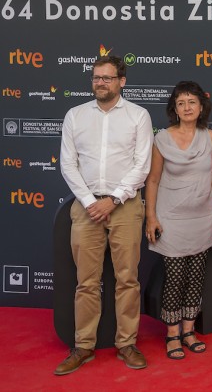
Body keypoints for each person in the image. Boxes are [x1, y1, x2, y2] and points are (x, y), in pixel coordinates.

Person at [56, 55, 153, 375]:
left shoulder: (138, 115)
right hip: (85, 209)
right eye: (96, 77)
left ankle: (127, 343)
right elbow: (68, 164)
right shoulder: (75, 115)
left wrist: (113, 199)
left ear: (121, 81)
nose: (100, 82)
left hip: (124, 207)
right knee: (86, 282)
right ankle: (83, 345)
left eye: (107, 78)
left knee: (127, 278)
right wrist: (88, 200)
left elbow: (142, 165)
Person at [144, 81, 212, 360]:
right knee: (175, 278)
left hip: (202, 218)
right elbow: (152, 180)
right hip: (171, 219)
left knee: (196, 277)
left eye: (192, 102)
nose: (187, 107)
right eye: (181, 103)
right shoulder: (162, 138)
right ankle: (172, 334)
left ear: (201, 107)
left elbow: (210, 179)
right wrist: (151, 216)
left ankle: (189, 331)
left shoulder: (210, 137)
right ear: (174, 109)